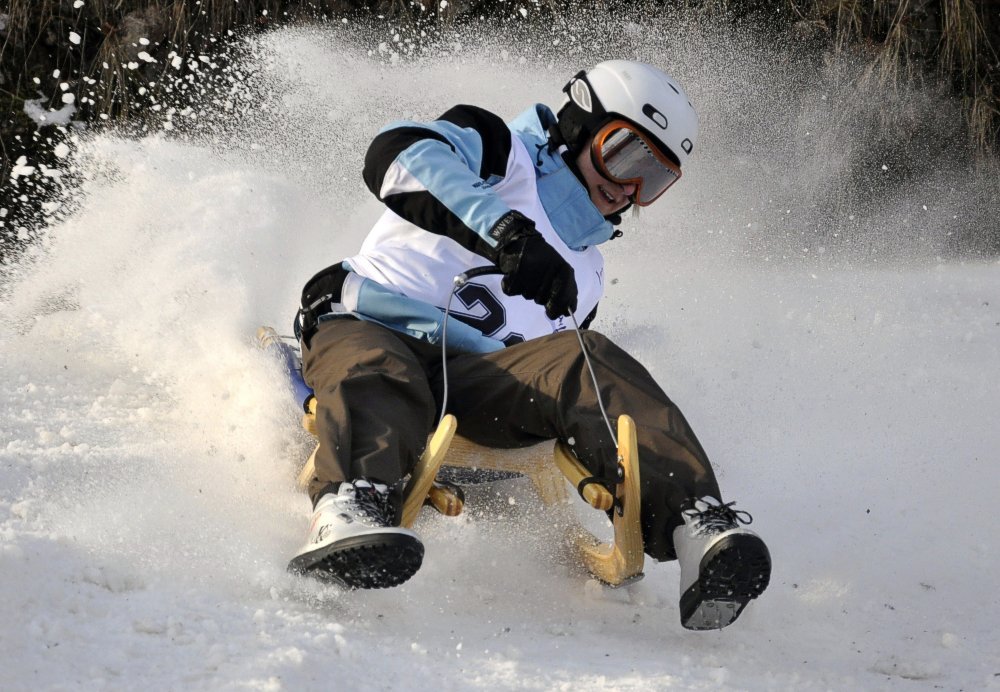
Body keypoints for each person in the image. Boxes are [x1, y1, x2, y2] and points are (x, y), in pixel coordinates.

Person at [287, 60, 771, 629]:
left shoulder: (587, 273)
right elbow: (397, 156)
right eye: (626, 156)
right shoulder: (499, 150)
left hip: (477, 386)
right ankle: (352, 504)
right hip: (374, 322)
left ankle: (694, 523)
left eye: (654, 180)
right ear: (580, 124)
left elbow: (556, 376)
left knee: (589, 358)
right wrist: (507, 233)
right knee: (378, 367)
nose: (629, 188)